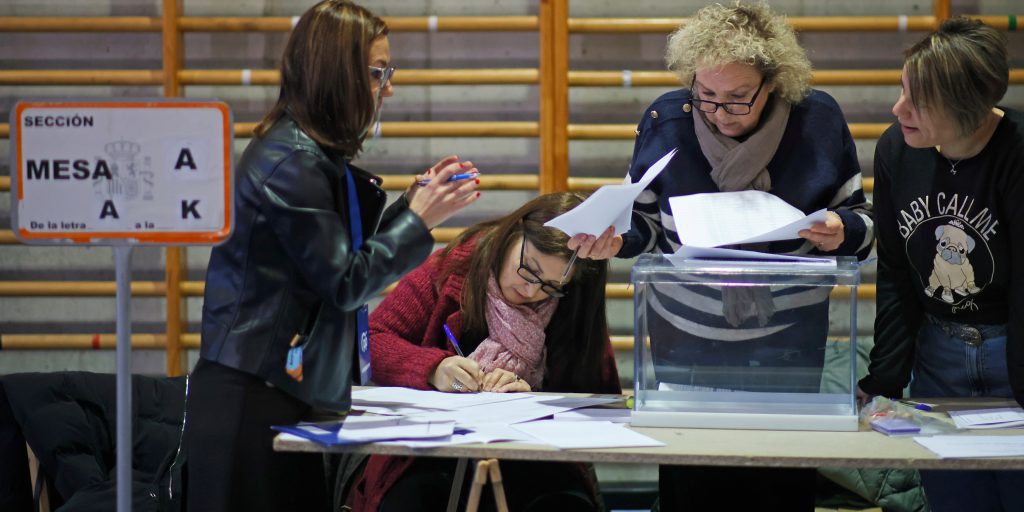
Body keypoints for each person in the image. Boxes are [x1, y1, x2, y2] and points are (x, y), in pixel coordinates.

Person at [569, 2, 873, 510]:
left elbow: (863, 223)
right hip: (684, 346)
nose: (718, 112)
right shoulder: (667, 120)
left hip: (787, 349)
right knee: (694, 487)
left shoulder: (817, 120)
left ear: (773, 82)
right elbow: (640, 221)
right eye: (706, 95)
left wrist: (842, 229)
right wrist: (618, 239)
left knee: (778, 486)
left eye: (737, 99)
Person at [183, 2, 480, 510]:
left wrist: (408, 208)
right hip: (251, 398)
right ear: (335, 74)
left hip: (278, 388)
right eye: (376, 72)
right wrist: (418, 221)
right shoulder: (291, 159)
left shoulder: (310, 153)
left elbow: (338, 258)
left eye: (389, 72)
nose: (388, 88)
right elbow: (344, 280)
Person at [348, 192, 621, 511]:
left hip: (536, 453)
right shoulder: (450, 270)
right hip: (433, 452)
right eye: (528, 270)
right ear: (512, 232)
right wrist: (434, 369)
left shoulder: (573, 301)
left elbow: (602, 397)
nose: (531, 291)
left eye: (550, 286)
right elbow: (372, 339)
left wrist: (534, 397)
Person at [857, 16, 1024, 512]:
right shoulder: (895, 150)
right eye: (901, 91)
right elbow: (895, 271)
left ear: (968, 107)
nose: (898, 109)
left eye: (918, 100)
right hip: (939, 353)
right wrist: (884, 377)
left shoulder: (1016, 152)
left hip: (1011, 349)